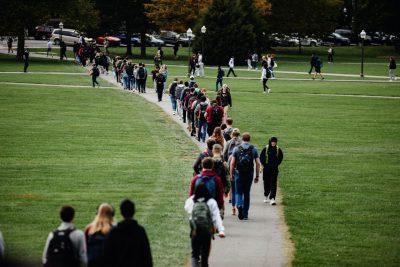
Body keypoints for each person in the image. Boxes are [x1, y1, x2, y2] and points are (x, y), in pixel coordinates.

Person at [185, 183, 225, 267]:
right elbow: (216, 216)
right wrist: (221, 230)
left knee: (194, 254)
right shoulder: (211, 201)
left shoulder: (192, 200)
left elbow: (187, 208)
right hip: (206, 232)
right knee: (205, 256)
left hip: (195, 231)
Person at [103, 199, 152, 267]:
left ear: (121, 212)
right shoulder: (140, 231)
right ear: (134, 211)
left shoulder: (114, 232)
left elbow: (108, 256)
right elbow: (147, 256)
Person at [229, 133, 261, 220]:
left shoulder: (236, 149)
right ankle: (245, 214)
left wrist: (231, 174)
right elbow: (258, 163)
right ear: (249, 139)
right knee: (247, 193)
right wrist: (257, 176)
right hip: (249, 173)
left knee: (239, 192)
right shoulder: (253, 149)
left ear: (242, 139)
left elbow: (232, 163)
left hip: (238, 173)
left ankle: (239, 205)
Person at [260, 137, 284, 206]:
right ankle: (266, 195)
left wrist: (276, 164)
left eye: (275, 142)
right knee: (266, 182)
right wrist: (264, 164)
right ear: (270, 142)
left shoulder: (278, 149)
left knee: (273, 183)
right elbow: (261, 157)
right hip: (266, 169)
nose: (273, 143)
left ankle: (272, 198)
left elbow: (280, 157)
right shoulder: (266, 149)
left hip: (274, 169)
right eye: (272, 141)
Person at [223, 128, 241, 214]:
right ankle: (238, 204)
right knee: (238, 189)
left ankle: (233, 206)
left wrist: (226, 162)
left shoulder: (228, 142)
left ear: (231, 135)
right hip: (239, 166)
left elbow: (224, 154)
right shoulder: (241, 143)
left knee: (232, 187)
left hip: (230, 164)